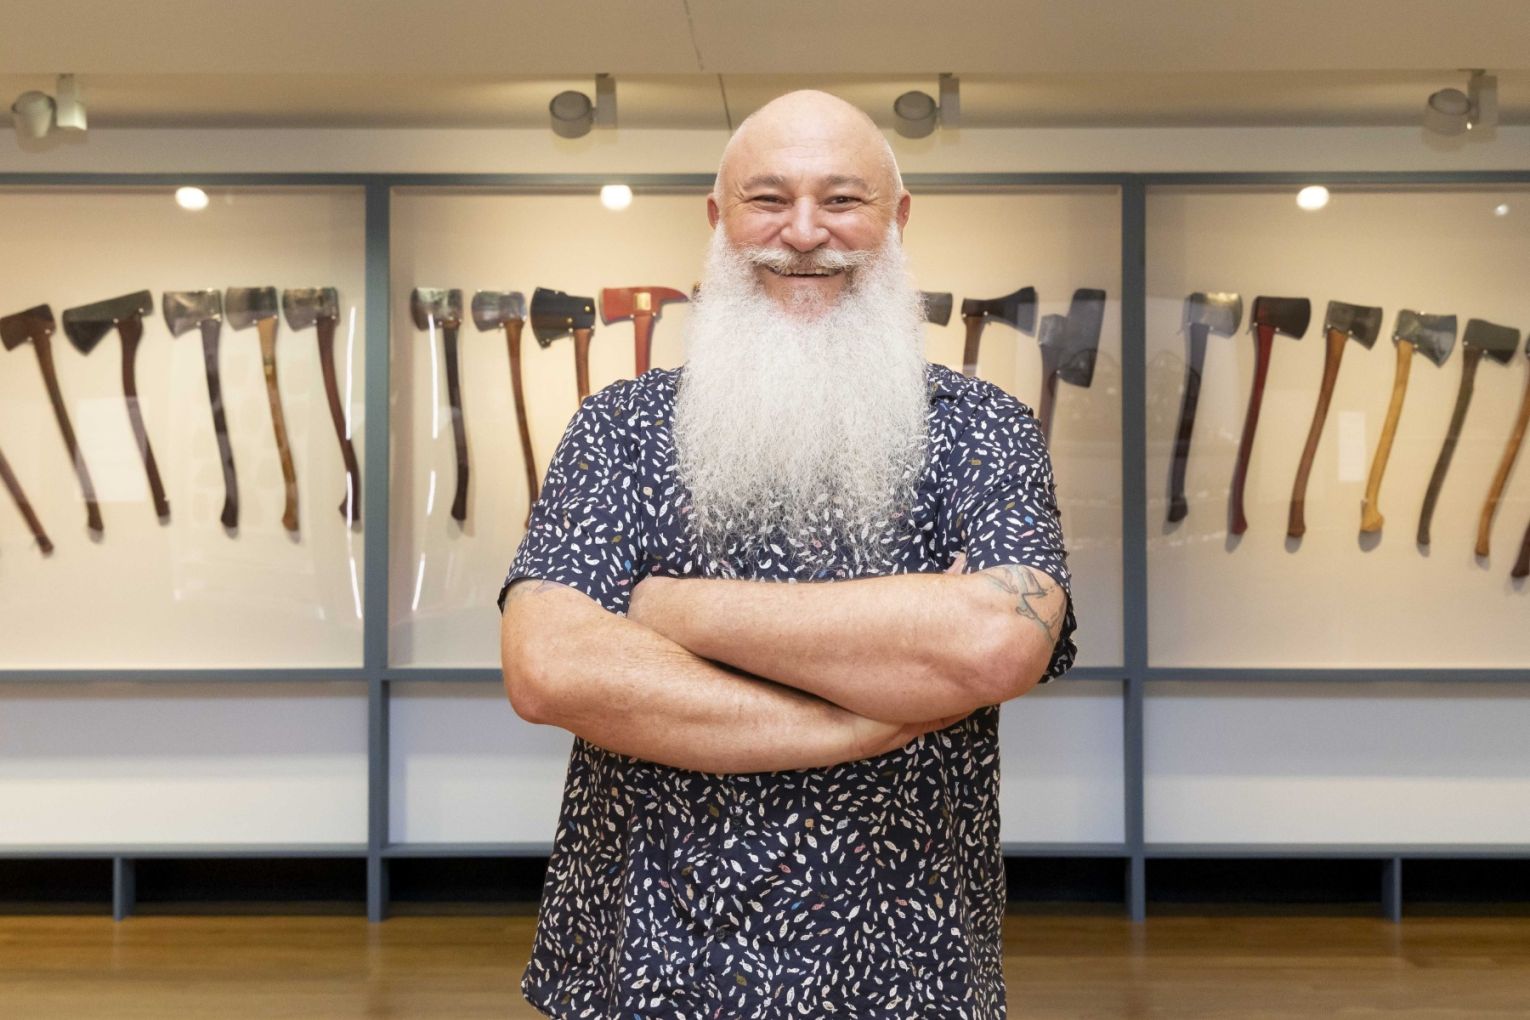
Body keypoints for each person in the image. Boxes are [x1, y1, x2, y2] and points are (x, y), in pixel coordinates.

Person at [499, 89, 1075, 1019]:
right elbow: (550, 666)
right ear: (719, 218)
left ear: (897, 219)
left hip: (906, 962)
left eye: (841, 199)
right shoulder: (622, 428)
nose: (805, 232)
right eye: (769, 199)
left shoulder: (983, 429)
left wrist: (670, 611)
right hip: (649, 961)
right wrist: (863, 714)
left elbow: (994, 645)